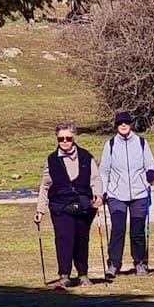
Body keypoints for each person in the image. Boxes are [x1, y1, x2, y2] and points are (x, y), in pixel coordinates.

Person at [34, 122, 103, 290]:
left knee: (81, 239)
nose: (65, 141)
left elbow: (95, 179)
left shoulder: (86, 156)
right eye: (61, 139)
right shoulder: (52, 160)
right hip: (60, 205)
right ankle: (64, 276)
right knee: (64, 239)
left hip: (83, 205)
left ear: (74, 138)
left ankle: (83, 274)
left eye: (68, 138)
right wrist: (40, 210)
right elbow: (45, 186)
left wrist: (99, 196)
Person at [99, 111, 154, 277]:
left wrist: (152, 173)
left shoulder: (141, 143)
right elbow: (104, 170)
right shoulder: (110, 145)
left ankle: (140, 263)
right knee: (118, 229)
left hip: (139, 194)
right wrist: (103, 191)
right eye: (120, 123)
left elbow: (151, 164)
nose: (123, 125)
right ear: (116, 126)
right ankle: (113, 265)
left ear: (131, 124)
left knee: (137, 230)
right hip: (116, 195)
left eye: (126, 122)